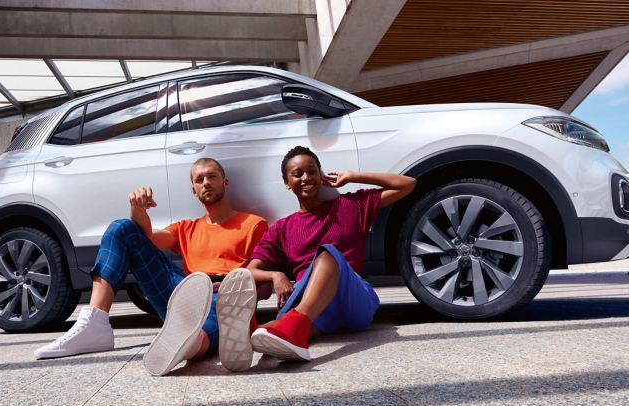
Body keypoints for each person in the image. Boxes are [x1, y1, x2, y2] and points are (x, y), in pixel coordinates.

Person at [34, 158, 267, 376]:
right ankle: (94, 323)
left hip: (226, 295)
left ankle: (187, 343)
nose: (206, 182)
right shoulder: (186, 228)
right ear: (193, 190)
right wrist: (138, 208)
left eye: (212, 176)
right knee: (121, 228)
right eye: (199, 179)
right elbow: (145, 239)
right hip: (186, 293)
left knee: (208, 324)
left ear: (224, 182)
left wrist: (234, 285)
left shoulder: (253, 224)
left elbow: (261, 278)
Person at [242, 145, 416, 362]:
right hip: (317, 306)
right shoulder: (282, 228)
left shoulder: (350, 205)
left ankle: (295, 322)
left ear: (321, 175)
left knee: (327, 254)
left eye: (312, 171)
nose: (306, 178)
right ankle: (257, 337)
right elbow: (250, 272)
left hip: (354, 299)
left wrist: (352, 176)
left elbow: (407, 184)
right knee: (265, 334)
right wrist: (275, 275)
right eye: (297, 174)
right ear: (287, 183)